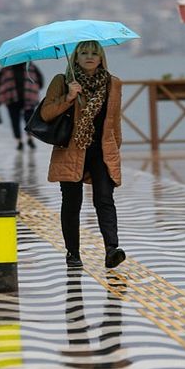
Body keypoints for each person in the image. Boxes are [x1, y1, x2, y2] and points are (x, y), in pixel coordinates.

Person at [40, 40, 126, 270]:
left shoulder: (112, 84)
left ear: (101, 58)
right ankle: (73, 253)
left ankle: (112, 249)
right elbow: (46, 113)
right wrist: (68, 97)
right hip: (71, 149)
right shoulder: (62, 81)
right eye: (84, 52)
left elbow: (115, 120)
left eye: (94, 53)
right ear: (75, 57)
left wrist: (116, 147)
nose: (89, 57)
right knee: (71, 203)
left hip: (102, 151)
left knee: (105, 199)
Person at [0, 62, 43, 150]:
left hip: (28, 99)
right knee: (15, 121)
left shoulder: (31, 67)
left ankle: (30, 138)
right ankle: (19, 141)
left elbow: (40, 81)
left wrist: (33, 90)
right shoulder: (6, 69)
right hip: (12, 99)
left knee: (29, 120)